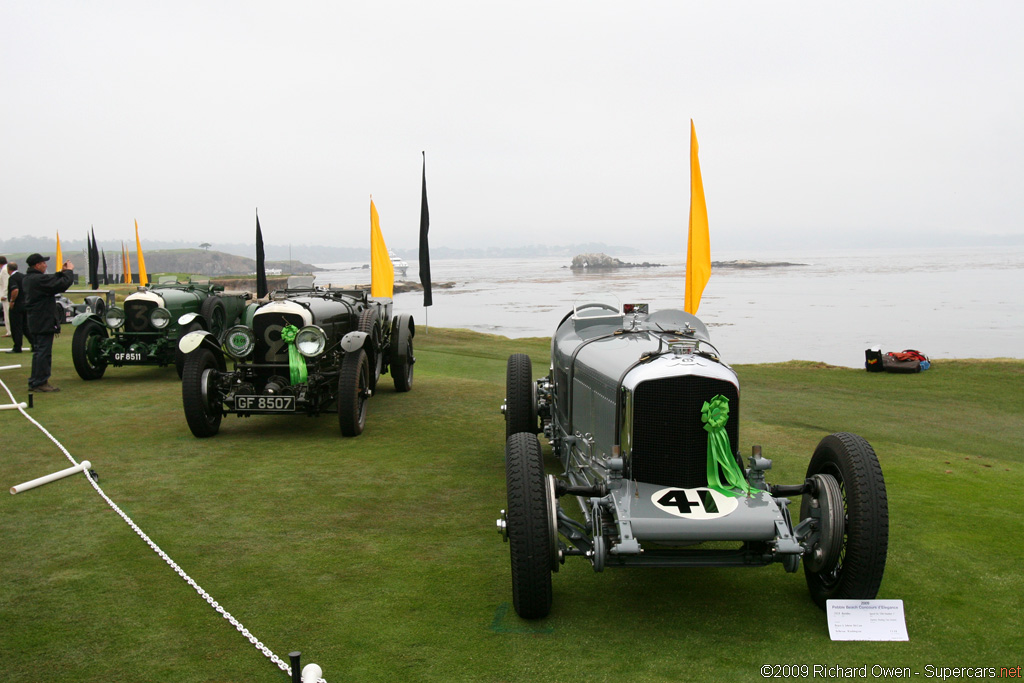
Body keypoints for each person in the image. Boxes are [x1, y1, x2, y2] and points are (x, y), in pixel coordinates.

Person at [21, 253, 75, 392]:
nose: (46, 265)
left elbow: (50, 279)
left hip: (36, 319)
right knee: (43, 352)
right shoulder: (38, 280)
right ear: (37, 265)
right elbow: (61, 285)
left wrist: (61, 272)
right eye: (43, 263)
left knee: (39, 351)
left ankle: (35, 381)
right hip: (43, 320)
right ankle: (40, 382)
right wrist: (68, 272)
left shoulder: (29, 278)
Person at [7, 262, 31, 353]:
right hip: (25, 303)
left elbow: (15, 290)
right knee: (26, 326)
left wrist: (12, 301)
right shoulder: (23, 276)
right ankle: (34, 344)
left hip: (17, 305)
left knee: (16, 327)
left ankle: (17, 347)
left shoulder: (12, 278)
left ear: (8, 269)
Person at [0, 255, 9, 336]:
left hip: (6, 297)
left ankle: (10, 331)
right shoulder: (5, 269)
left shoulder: (4, 270)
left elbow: (6, 283)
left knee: (7, 314)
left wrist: (5, 295)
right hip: (6, 296)